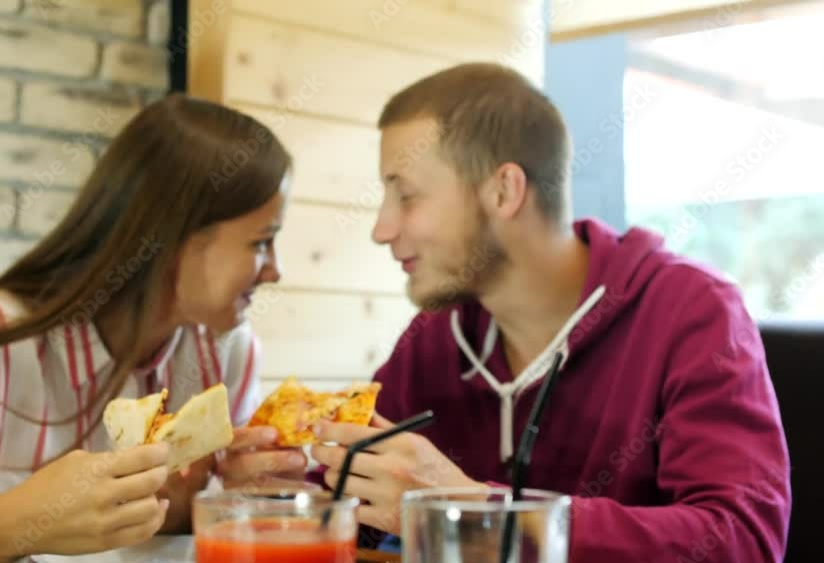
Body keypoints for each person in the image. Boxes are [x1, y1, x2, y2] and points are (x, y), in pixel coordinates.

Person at [307, 63, 792, 562]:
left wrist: (485, 512)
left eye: (406, 196)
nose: (382, 229)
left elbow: (744, 538)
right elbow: (355, 498)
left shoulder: (692, 310)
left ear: (504, 191)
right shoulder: (437, 333)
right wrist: (283, 493)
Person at [0, 94, 308, 563]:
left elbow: (201, 540)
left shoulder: (228, 350)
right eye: (262, 242)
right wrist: (12, 525)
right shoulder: (2, 342)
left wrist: (227, 501)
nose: (275, 271)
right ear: (172, 237)